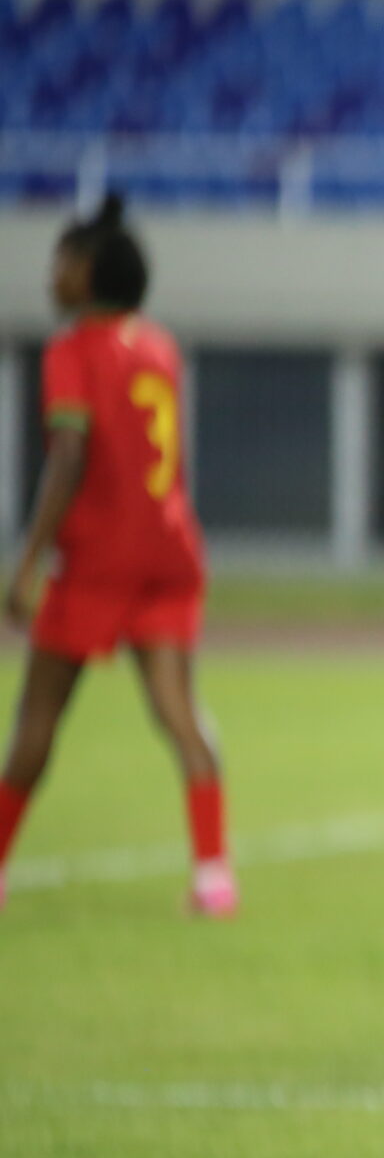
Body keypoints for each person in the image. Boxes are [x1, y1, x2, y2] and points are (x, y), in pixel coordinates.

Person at [0, 194, 229, 916]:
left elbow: (69, 453)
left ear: (91, 269)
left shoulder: (73, 350)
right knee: (179, 711)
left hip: (96, 561)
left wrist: (29, 559)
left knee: (38, 715)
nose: (51, 274)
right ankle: (213, 875)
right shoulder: (158, 346)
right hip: (166, 552)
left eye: (61, 260)